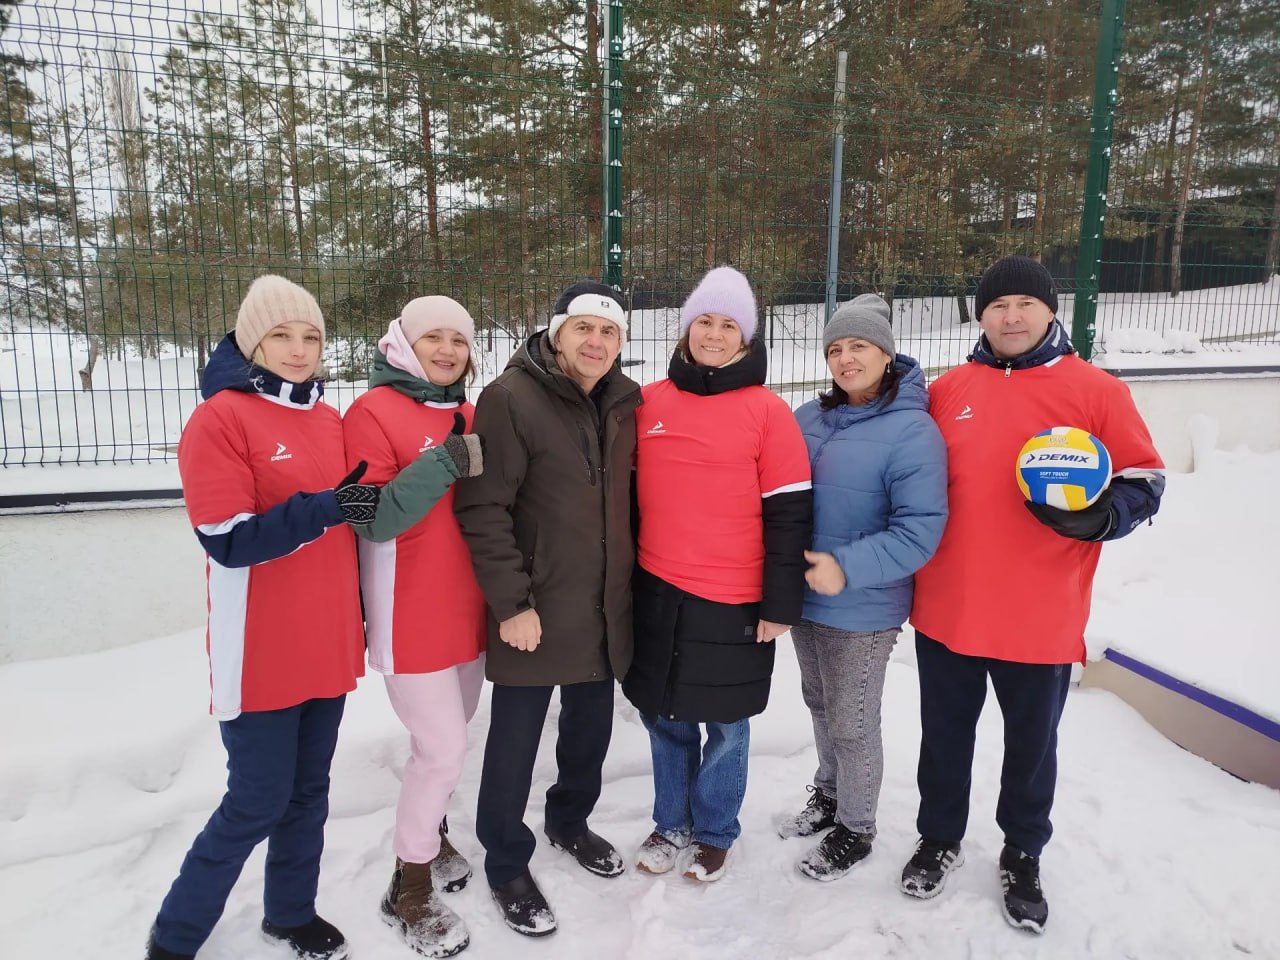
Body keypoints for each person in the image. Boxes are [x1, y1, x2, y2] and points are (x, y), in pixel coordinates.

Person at [901, 255, 1166, 933]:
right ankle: (938, 838)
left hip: (1040, 613)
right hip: (948, 607)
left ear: (1051, 310)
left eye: (1025, 303)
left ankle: (1023, 851)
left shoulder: (1096, 391)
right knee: (943, 738)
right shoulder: (948, 390)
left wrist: (1105, 517)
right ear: (980, 316)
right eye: (997, 305)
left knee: (1031, 746)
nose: (1011, 316)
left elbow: (1144, 478)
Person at [146, 275, 378, 960]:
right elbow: (228, 540)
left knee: (308, 794)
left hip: (327, 644)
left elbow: (351, 521)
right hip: (261, 651)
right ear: (253, 342)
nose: (299, 350)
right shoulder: (220, 418)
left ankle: (290, 914)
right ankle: (176, 934)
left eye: (311, 336)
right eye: (282, 335)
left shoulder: (329, 420)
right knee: (256, 801)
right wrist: (326, 508)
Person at [453, 280, 641, 937]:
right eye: (584, 327)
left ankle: (569, 821)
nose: (596, 341)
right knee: (515, 741)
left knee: (590, 729)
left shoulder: (622, 401)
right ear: (557, 333)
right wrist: (512, 603)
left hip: (602, 601)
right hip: (533, 605)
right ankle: (506, 861)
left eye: (609, 332)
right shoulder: (509, 399)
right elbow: (482, 508)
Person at [623, 266, 813, 883]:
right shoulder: (648, 402)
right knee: (665, 717)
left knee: (727, 726)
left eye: (728, 325)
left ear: (746, 338)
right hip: (657, 590)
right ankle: (670, 823)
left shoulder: (768, 412)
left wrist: (779, 604)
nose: (713, 333)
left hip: (734, 598)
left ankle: (714, 831)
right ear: (685, 330)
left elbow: (789, 514)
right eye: (704, 321)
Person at [779, 294, 948, 881]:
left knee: (852, 720)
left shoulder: (913, 430)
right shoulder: (808, 417)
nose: (845, 359)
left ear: (886, 354)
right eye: (835, 349)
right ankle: (829, 794)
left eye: (859, 346)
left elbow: (919, 530)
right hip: (803, 595)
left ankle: (856, 827)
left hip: (864, 604)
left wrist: (845, 567)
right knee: (819, 703)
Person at [341, 296, 487, 958]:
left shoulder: (469, 412)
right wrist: (445, 460)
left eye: (459, 339)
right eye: (434, 337)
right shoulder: (370, 412)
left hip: (469, 610)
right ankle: (409, 889)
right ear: (402, 342)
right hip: (409, 614)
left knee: (444, 745)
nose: (448, 349)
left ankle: (432, 831)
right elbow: (370, 517)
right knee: (444, 749)